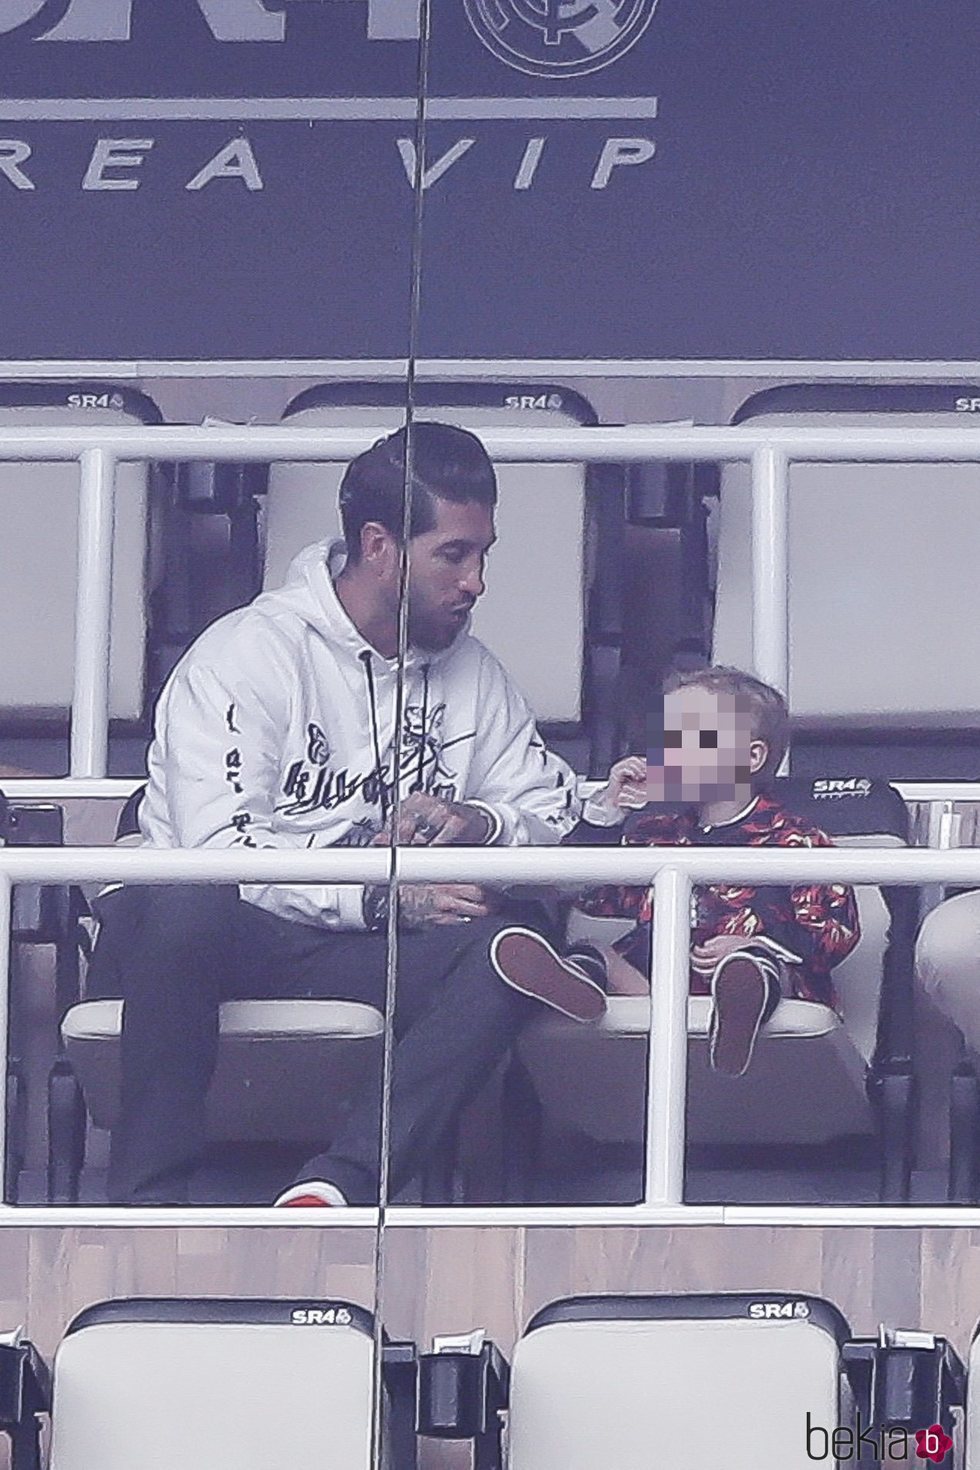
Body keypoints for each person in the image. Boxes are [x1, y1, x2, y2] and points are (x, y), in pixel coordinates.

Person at [87, 421, 589, 1208]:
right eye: (453, 555)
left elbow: (556, 808)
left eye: (483, 554)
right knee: (183, 908)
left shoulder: (475, 673)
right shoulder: (246, 653)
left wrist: (481, 821)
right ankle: (147, 1209)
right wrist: (380, 896)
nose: (476, 582)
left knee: (510, 949)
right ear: (379, 544)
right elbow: (223, 855)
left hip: (360, 942)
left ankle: (339, 1186)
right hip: (229, 932)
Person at [490, 667, 861, 1077]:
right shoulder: (655, 835)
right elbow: (589, 892)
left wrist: (758, 943)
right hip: (653, 987)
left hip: (756, 976)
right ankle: (578, 987)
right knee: (595, 949)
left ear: (751, 757)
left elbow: (834, 932)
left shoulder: (797, 841)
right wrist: (607, 812)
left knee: (756, 967)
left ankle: (739, 1012)